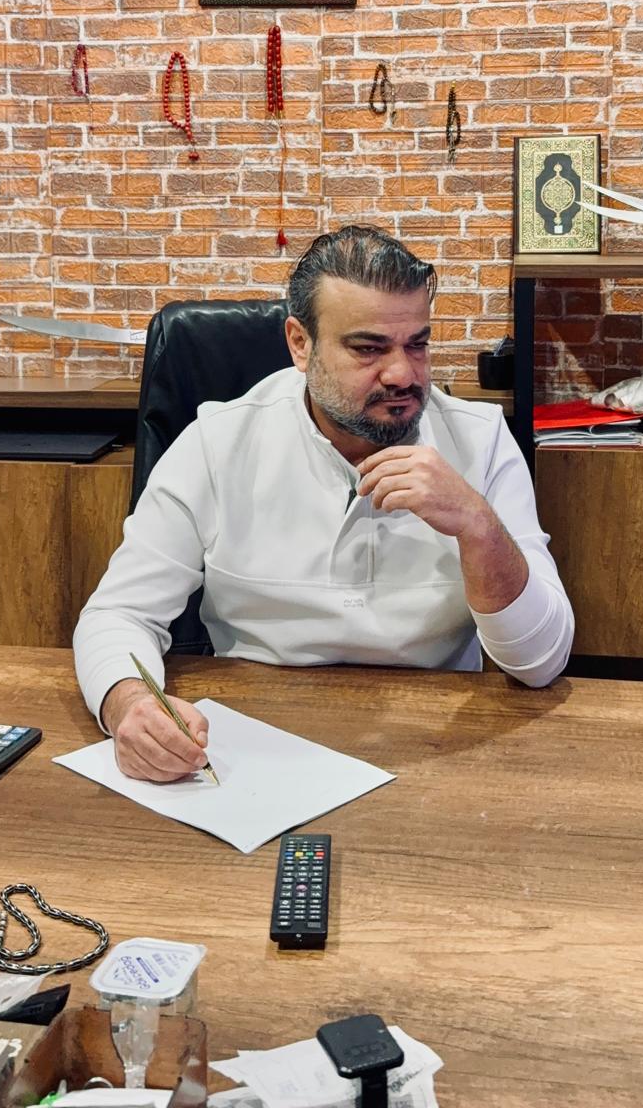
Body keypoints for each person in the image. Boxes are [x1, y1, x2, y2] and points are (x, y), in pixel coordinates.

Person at [74, 226, 574, 782]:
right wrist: (130, 706)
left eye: (417, 344)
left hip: (438, 746)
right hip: (247, 750)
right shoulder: (218, 442)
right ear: (300, 344)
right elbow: (119, 614)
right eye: (368, 348)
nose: (403, 374)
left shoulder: (479, 440)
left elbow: (540, 662)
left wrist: (478, 525)